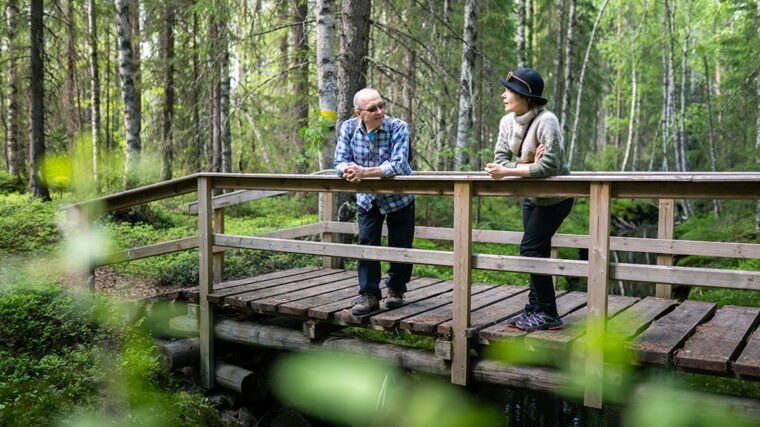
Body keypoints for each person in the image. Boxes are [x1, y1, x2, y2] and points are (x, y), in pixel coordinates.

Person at [484, 68, 574, 331]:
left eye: (509, 91)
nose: (503, 95)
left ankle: (548, 312)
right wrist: (525, 163)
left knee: (531, 249)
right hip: (531, 196)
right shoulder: (507, 122)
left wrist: (511, 170)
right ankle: (535, 308)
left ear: (525, 96)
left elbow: (549, 167)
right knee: (538, 250)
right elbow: (499, 161)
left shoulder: (548, 122)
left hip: (556, 197)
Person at [334, 88, 415, 316]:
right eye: (373, 109)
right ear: (359, 113)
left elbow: (398, 164)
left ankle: (396, 290)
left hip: (399, 197)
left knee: (401, 245)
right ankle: (369, 294)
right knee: (368, 244)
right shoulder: (349, 128)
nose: (380, 111)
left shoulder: (398, 127)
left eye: (382, 105)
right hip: (367, 198)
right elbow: (339, 160)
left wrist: (363, 172)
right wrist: (348, 170)